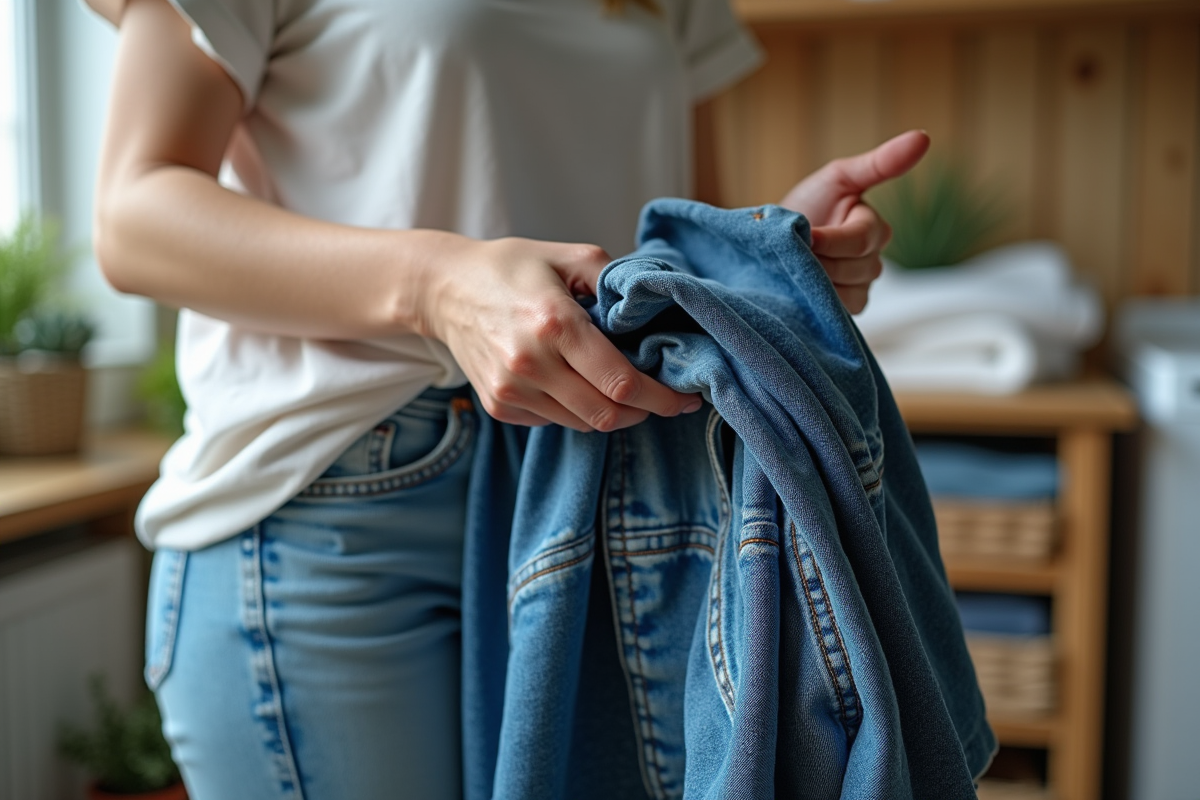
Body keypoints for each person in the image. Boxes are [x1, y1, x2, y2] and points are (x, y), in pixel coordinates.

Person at [85, 0, 930, 796]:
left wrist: (758, 257)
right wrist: (434, 287)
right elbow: (135, 214)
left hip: (602, 499)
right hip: (343, 510)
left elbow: (665, 229)